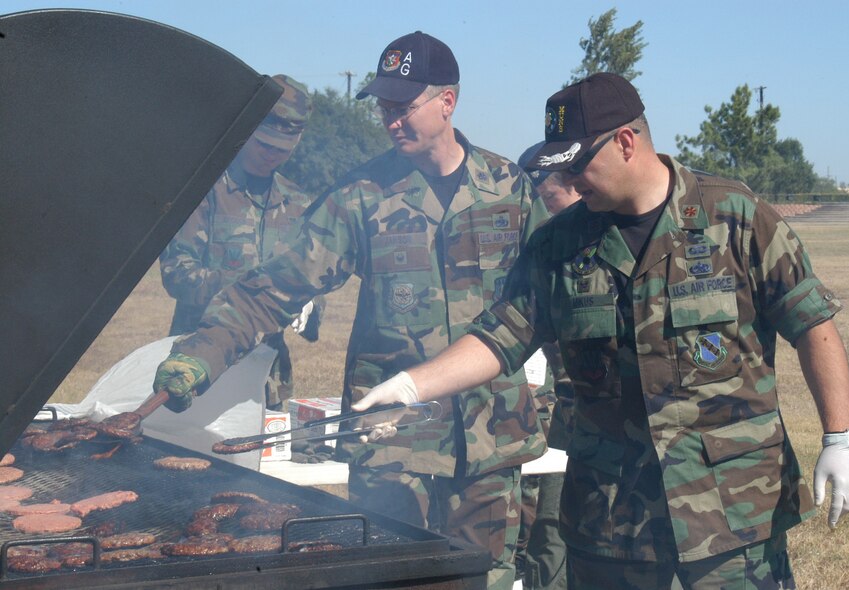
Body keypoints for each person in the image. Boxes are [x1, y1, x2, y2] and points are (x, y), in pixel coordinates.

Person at [352, 73, 849, 589]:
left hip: (732, 517)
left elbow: (812, 325)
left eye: (579, 164)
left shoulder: (734, 217)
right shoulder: (559, 243)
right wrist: (413, 385)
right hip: (612, 523)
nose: (571, 181)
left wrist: (840, 438)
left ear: (626, 142)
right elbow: (500, 335)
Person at [151, 32, 551, 590]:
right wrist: (202, 353)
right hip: (393, 442)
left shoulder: (509, 188)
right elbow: (273, 289)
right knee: (390, 580)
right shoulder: (361, 195)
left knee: (480, 580)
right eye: (384, 107)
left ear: (448, 101)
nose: (391, 121)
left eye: (404, 107)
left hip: (491, 436)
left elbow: (548, 298)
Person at [158, 74, 321, 411]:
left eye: (282, 149)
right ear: (248, 130)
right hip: (198, 363)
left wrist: (310, 304)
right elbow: (177, 274)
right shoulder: (205, 190)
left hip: (266, 378)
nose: (271, 155)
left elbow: (311, 276)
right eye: (264, 144)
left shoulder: (298, 204)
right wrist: (256, 288)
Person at [512, 143, 580, 590]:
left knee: (555, 529)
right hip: (525, 411)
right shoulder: (530, 251)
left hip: (577, 418)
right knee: (519, 522)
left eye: (550, 200)